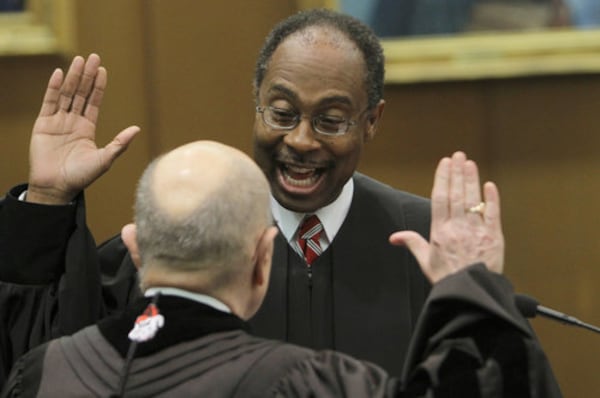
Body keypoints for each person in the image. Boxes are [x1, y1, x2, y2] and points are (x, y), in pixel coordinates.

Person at [0, 9, 434, 385]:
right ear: (256, 102)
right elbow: (44, 361)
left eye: (331, 120)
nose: (301, 140)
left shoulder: (427, 244)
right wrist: (47, 198)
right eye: (281, 114)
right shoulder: (179, 238)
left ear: (371, 120)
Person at [0, 141, 562, 397]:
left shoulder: (46, 373)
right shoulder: (316, 386)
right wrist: (474, 294)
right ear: (263, 257)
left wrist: (48, 196)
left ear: (136, 248)